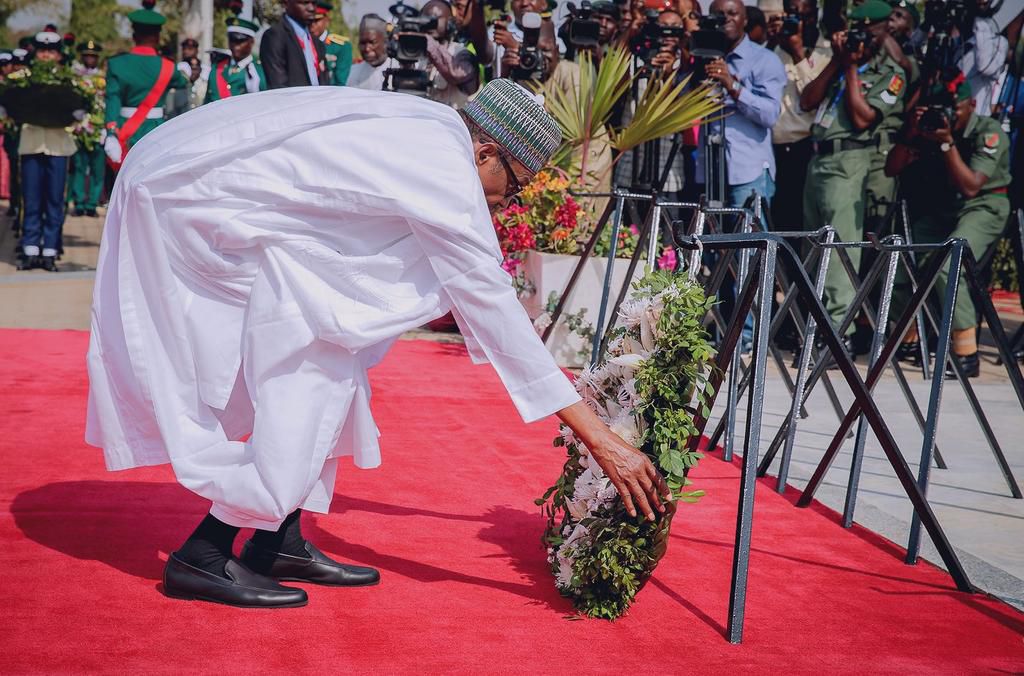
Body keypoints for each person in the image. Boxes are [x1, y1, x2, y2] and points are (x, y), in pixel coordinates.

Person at [86, 79, 671, 608]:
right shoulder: (443, 169)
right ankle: (204, 554)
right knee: (314, 360)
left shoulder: (436, 131)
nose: (511, 200)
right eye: (514, 183)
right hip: (183, 202)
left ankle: (274, 539)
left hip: (192, 180)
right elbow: (491, 305)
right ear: (487, 153)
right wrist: (597, 437)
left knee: (341, 340)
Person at [886, 74, 1011, 378]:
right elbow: (892, 168)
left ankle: (965, 353)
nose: (946, 117)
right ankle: (911, 338)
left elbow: (971, 186)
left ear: (971, 105)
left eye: (953, 109)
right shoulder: (929, 127)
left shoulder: (988, 132)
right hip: (945, 209)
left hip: (984, 205)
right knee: (899, 256)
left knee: (949, 262)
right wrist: (911, 133)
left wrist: (946, 144)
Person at [800, 0, 907, 346]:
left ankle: (838, 333)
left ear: (883, 29)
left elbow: (863, 119)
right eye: (855, 28)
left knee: (841, 250)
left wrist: (852, 70)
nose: (862, 36)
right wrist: (839, 61)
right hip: (818, 160)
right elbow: (807, 100)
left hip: (851, 161)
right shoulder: (843, 60)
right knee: (813, 250)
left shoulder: (890, 73)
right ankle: (813, 325)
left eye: (868, 29)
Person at [696, 0, 786, 207]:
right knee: (709, 239)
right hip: (709, 170)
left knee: (749, 238)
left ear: (744, 20)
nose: (726, 19)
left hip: (748, 170)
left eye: (732, 13)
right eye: (719, 14)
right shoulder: (701, 57)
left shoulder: (765, 59)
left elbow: (770, 115)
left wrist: (732, 86)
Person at [765, 0, 832, 231]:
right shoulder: (774, 47)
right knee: (773, 219)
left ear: (814, 15)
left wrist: (797, 53)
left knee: (799, 220)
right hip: (771, 148)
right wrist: (772, 40)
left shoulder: (828, 51)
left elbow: (812, 101)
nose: (797, 20)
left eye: (803, 15)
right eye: (791, 13)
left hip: (804, 148)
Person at [102, 1, 193, 168]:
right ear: (158, 37)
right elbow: (183, 83)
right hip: (155, 131)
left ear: (133, 35)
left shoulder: (116, 64)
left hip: (124, 130)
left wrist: (111, 131)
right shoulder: (169, 67)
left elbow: (112, 99)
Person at [16, 32, 77, 272]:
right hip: (31, 143)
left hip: (58, 147)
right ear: (36, 53)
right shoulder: (23, 79)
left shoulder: (67, 80)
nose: (46, 55)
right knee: (31, 199)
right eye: (42, 51)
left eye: (51, 51)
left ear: (59, 55)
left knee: (54, 200)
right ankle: (30, 249)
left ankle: (50, 250)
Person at [68, 40, 106, 218]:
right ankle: (79, 202)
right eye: (87, 56)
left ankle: (92, 203)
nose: (90, 59)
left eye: (93, 56)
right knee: (79, 166)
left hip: (98, 128)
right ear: (82, 57)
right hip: (79, 127)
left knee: (98, 169)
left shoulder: (103, 77)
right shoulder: (75, 76)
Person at [421, 0, 481, 108]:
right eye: (424, 19)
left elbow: (455, 73)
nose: (428, 24)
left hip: (452, 123)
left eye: (434, 19)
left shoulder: (462, 53)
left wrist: (426, 41)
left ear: (450, 23)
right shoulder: (415, 53)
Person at [260, 0, 329, 88]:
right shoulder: (275, 36)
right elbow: (278, 86)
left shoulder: (316, 41)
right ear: (286, 3)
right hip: (293, 101)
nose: (311, 8)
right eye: (305, 3)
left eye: (314, 3)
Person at [204, 17, 267, 103]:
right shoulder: (217, 68)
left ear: (251, 42)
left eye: (240, 41)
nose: (235, 45)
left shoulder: (260, 70)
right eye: (232, 40)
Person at [346, 14, 396, 90]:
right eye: (363, 43)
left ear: (385, 41)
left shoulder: (399, 70)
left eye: (372, 42)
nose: (367, 49)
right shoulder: (353, 72)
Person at [311, 0, 353, 86]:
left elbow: (340, 82)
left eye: (316, 20)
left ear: (326, 20)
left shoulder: (341, 46)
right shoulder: (303, 43)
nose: (312, 24)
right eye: (310, 20)